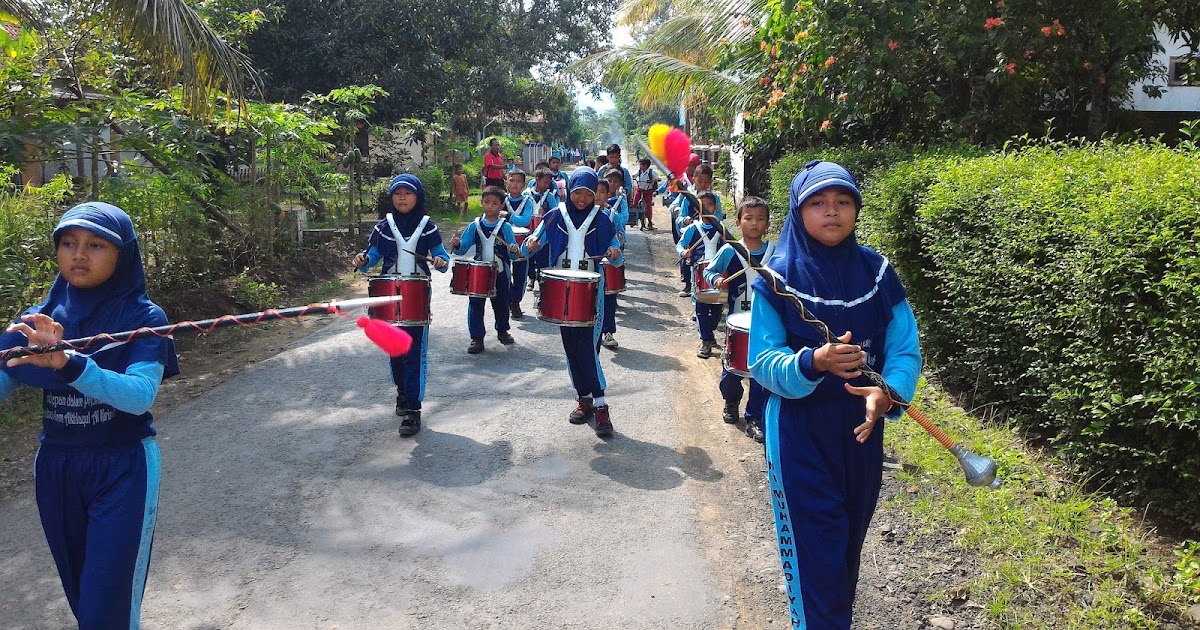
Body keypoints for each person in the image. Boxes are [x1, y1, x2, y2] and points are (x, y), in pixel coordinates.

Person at [748, 161, 921, 629]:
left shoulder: (878, 272)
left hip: (862, 431)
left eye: (843, 202)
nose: (832, 212)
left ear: (856, 210)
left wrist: (889, 394)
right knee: (817, 551)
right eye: (818, 203)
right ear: (798, 210)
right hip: (800, 433)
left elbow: (904, 347)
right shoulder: (776, 276)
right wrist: (813, 362)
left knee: (847, 547)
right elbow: (762, 361)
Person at [0, 202, 180, 628]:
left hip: (123, 468)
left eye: (96, 245)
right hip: (57, 470)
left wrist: (68, 362)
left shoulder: (145, 318)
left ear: (124, 254)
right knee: (85, 604)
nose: (79, 254)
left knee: (107, 611)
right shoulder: (35, 324)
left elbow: (139, 397)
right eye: (68, 243)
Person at [522, 167, 623, 437]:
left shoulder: (602, 221)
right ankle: (583, 398)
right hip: (561, 294)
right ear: (569, 191)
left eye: (588, 194)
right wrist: (530, 243)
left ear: (594, 195)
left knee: (587, 349)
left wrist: (613, 252)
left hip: (591, 293)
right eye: (577, 192)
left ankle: (601, 404)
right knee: (570, 348)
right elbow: (530, 244)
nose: (581, 198)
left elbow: (617, 256)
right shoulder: (555, 216)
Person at [354, 174, 451, 436]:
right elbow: (373, 255)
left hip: (417, 295)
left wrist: (441, 262)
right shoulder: (383, 227)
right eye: (397, 194)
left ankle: (413, 409)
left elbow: (441, 256)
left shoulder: (427, 226)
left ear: (417, 197)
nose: (402, 198)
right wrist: (363, 259)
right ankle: (402, 392)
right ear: (391, 197)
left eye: (408, 193)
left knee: (413, 353)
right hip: (387, 295)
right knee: (395, 351)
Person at [702, 196, 774, 442]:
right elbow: (709, 270)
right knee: (732, 368)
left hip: (766, 324)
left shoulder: (774, 253)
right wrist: (716, 280)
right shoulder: (729, 250)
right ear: (738, 221)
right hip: (736, 320)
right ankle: (731, 402)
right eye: (749, 218)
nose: (754, 224)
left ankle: (754, 416)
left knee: (760, 371)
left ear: (767, 224)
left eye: (760, 219)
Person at [451, 186, 520, 354]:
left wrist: (513, 249)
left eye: (495, 203)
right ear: (481, 202)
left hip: (501, 273)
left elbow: (514, 253)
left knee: (501, 304)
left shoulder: (505, 227)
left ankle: (502, 331)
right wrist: (457, 244)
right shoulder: (475, 225)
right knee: (475, 305)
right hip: (479, 273)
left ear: (501, 206)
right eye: (487, 202)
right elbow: (463, 247)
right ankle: (477, 338)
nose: (490, 206)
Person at [676, 191, 726, 358]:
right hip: (698, 273)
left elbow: (732, 248)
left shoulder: (722, 229)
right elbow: (680, 245)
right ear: (697, 210)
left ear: (716, 207)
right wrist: (684, 252)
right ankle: (705, 341)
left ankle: (709, 333)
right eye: (702, 206)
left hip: (718, 275)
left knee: (718, 310)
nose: (706, 209)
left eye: (710, 205)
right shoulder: (692, 228)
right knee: (701, 310)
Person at [672, 164, 724, 294]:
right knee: (690, 261)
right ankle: (690, 287)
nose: (703, 184)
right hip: (694, 232)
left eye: (706, 182)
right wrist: (685, 220)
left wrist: (713, 222)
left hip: (710, 233)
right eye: (700, 181)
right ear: (694, 179)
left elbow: (719, 217)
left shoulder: (715, 198)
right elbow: (680, 217)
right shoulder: (688, 196)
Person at [597, 175, 627, 350]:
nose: (598, 196)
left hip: (608, 264)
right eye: (595, 192)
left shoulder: (611, 216)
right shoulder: (583, 216)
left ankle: (608, 332)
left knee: (609, 299)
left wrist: (619, 240)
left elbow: (621, 233)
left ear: (608, 195)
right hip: (590, 266)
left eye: (602, 192)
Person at [500, 171, 535, 318]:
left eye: (519, 181)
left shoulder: (527, 201)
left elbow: (525, 221)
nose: (515, 184)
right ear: (506, 182)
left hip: (521, 242)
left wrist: (508, 216)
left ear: (524, 184)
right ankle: (507, 299)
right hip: (503, 241)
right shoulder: (501, 200)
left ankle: (515, 301)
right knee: (505, 273)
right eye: (511, 180)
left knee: (520, 274)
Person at [524, 167, 561, 290]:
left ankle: (541, 280)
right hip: (529, 229)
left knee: (543, 257)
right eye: (544, 182)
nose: (546, 185)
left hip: (544, 232)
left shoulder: (549, 196)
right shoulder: (526, 194)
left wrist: (546, 211)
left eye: (549, 183)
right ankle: (531, 277)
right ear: (537, 180)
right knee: (530, 255)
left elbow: (555, 212)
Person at [632, 157, 660, 231]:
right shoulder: (639, 171)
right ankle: (634, 219)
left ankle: (650, 222)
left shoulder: (651, 172)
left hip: (648, 191)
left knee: (648, 207)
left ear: (645, 165)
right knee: (634, 203)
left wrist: (653, 180)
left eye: (640, 164)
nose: (639, 166)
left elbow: (657, 178)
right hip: (640, 190)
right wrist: (633, 177)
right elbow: (634, 175)